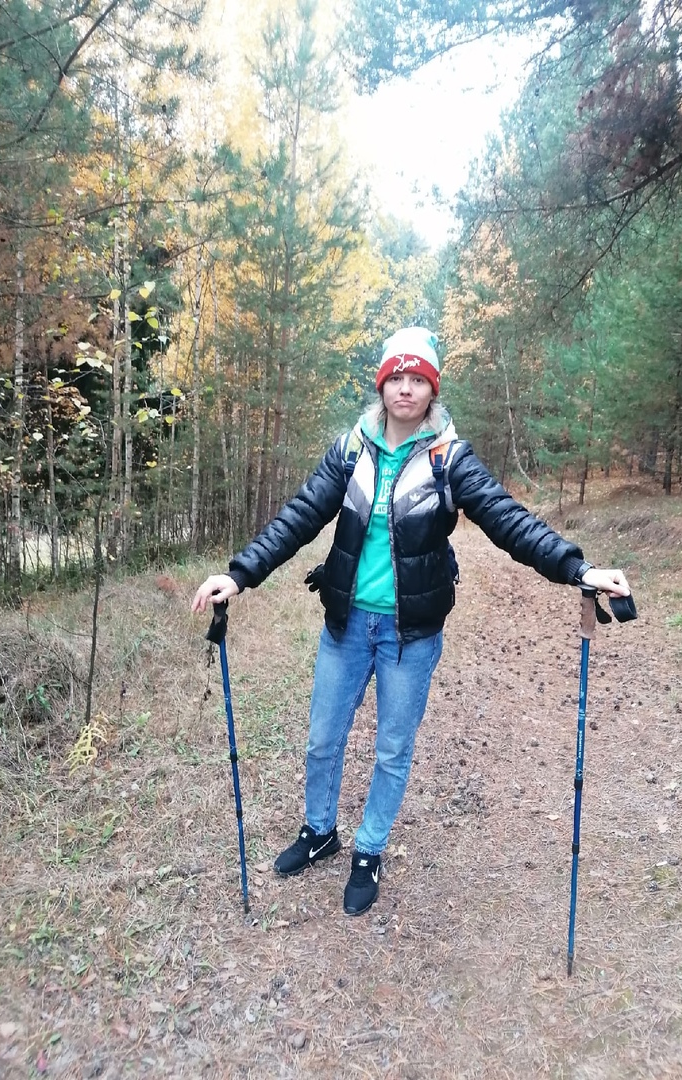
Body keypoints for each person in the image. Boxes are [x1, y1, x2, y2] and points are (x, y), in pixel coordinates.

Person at [192, 326, 631, 917]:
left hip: (411, 636)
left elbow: (509, 520)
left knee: (392, 750)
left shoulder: (449, 459)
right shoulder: (351, 450)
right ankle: (319, 830)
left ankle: (369, 850)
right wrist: (240, 574)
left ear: (432, 388)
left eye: (417, 378)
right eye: (395, 376)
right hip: (346, 626)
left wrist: (578, 568)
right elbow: (299, 515)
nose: (405, 388)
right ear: (382, 385)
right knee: (323, 740)